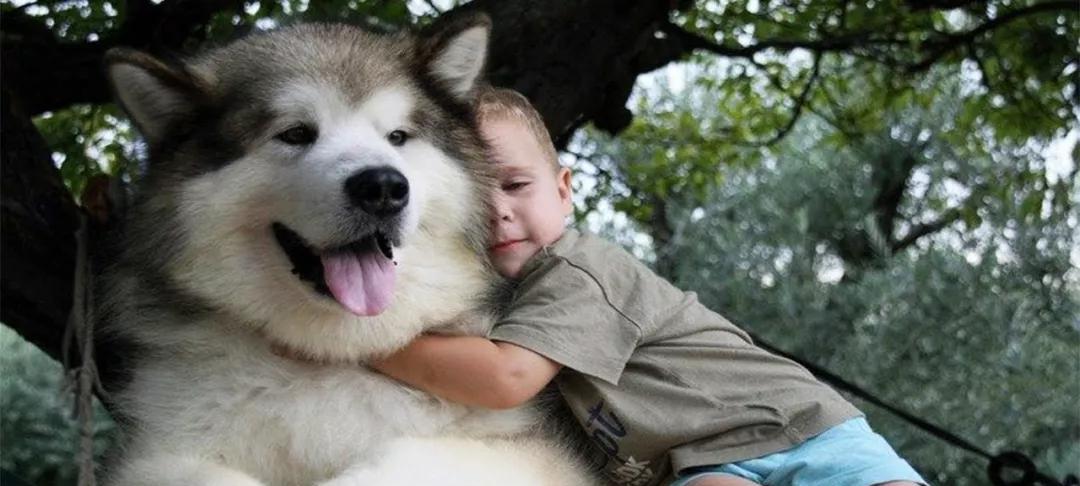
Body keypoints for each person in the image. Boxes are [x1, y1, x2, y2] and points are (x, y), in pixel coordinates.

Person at [373, 87, 927, 486]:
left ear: (564, 192)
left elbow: (504, 377)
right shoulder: (494, 299)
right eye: (474, 194)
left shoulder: (578, 269)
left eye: (517, 185)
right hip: (700, 466)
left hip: (792, 428)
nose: (498, 211)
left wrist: (371, 341)